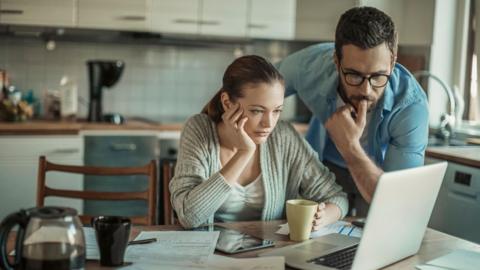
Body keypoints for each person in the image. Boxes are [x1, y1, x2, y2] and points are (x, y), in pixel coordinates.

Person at [276, 6, 429, 215]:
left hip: (377, 172)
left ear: (392, 62)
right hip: (324, 168)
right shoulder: (308, 67)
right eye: (354, 75)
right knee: (316, 238)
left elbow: (396, 203)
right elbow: (252, 86)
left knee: (376, 234)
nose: (366, 90)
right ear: (336, 61)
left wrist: (348, 145)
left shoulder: (411, 106)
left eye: (378, 76)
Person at [169, 55, 348, 229]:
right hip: (208, 255)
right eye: (257, 111)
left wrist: (323, 217)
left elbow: (336, 198)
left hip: (269, 255)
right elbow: (188, 216)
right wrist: (243, 152)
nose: (269, 124)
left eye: (277, 111)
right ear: (227, 103)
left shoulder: (284, 136)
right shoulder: (199, 130)